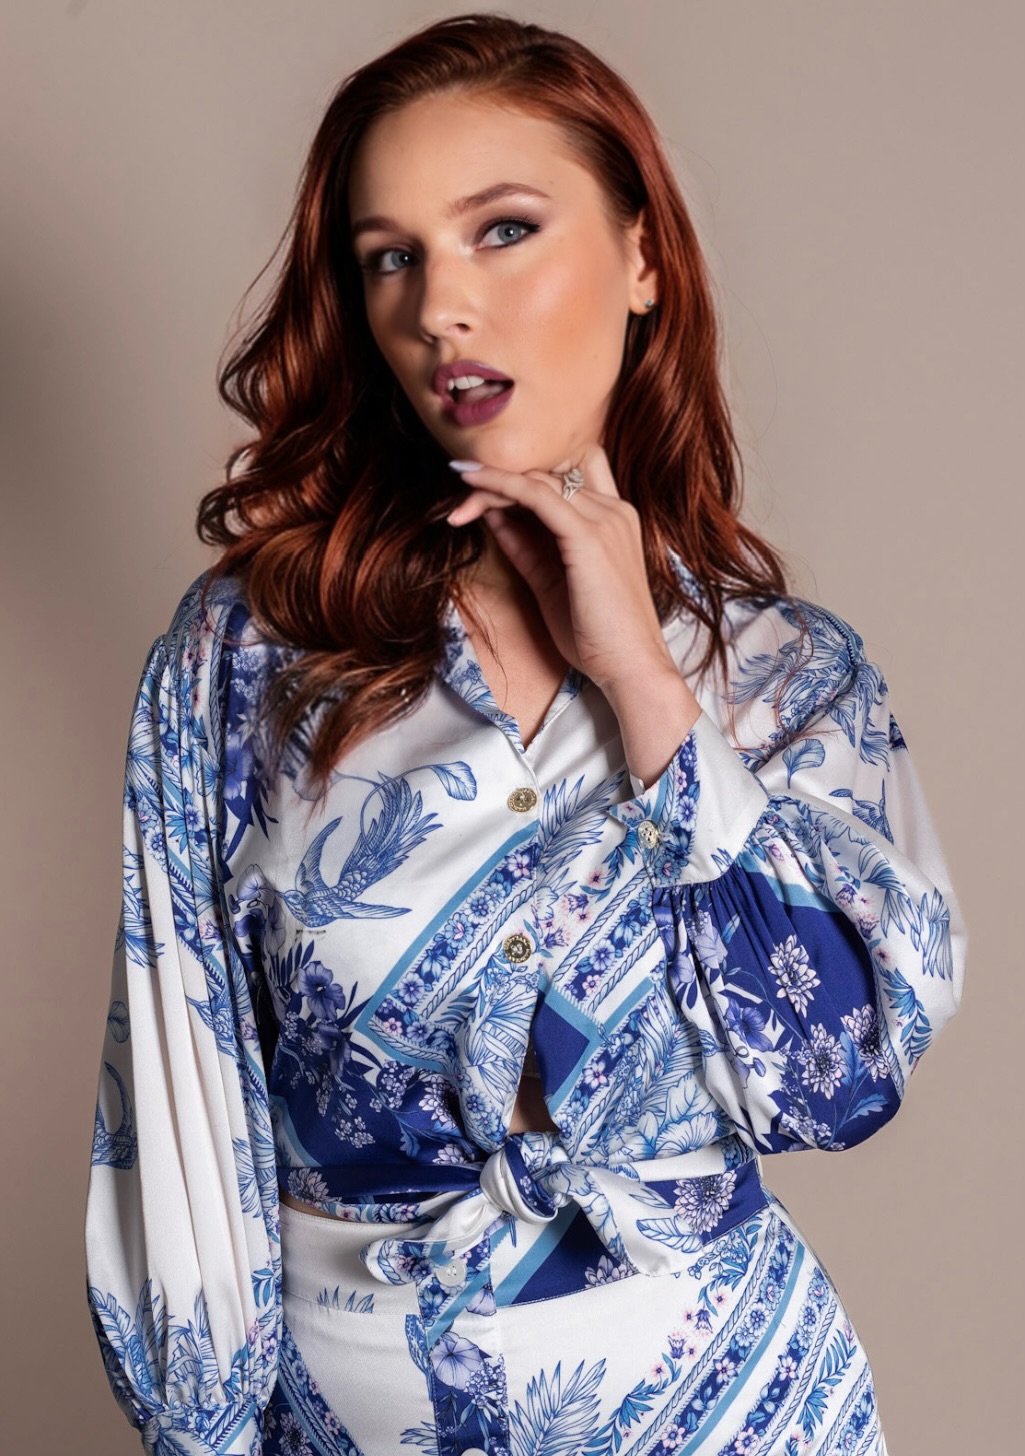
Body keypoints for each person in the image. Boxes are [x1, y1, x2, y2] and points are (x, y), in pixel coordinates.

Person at [84, 13, 967, 1455]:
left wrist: (645, 687)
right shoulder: (247, 660)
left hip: (737, 1412)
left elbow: (834, 1080)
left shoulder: (788, 682)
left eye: (502, 230)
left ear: (641, 260)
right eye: (391, 258)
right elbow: (177, 1102)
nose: (441, 305)